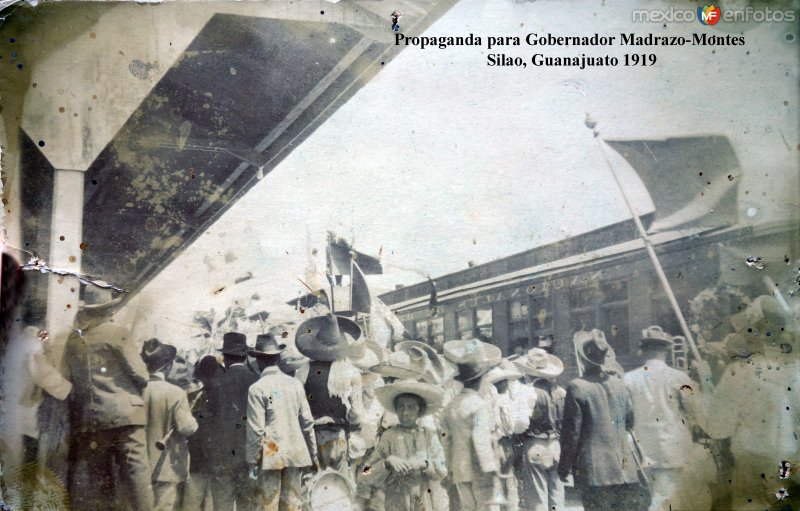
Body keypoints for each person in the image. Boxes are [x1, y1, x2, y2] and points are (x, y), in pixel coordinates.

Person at [60, 282, 154, 510]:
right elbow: (141, 375)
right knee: (137, 474)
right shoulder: (118, 335)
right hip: (126, 417)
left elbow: (67, 379)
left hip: (91, 421)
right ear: (109, 309)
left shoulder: (73, 342)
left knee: (99, 479)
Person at [703, 296, 800, 511]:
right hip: (787, 458)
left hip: (752, 457)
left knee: (751, 504)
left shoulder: (739, 371)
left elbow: (719, 425)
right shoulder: (793, 369)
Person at [558, 329, 648, 511]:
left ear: (583, 359)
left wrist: (564, 466)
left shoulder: (577, 387)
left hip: (595, 472)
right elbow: (630, 422)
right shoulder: (620, 384)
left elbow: (572, 433)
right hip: (625, 469)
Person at [624, 326, 709, 511]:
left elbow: (625, 416)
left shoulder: (629, 379)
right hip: (673, 450)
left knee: (650, 500)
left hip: (641, 451)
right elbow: (698, 409)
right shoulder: (678, 377)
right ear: (666, 350)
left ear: (643, 350)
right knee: (668, 501)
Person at [246, 332, 318, 511]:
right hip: (296, 452)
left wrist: (252, 460)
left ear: (259, 361)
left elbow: (256, 429)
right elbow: (307, 423)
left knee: (268, 504)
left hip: (271, 453)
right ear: (278, 358)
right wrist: (313, 454)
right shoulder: (294, 385)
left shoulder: (257, 388)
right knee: (292, 504)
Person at [294, 313, 365, 472]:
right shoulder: (351, 372)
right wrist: (351, 422)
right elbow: (357, 413)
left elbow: (296, 406)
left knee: (313, 483)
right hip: (339, 434)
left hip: (312, 436)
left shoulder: (304, 370)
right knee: (339, 485)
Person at [441, 338, 504, 511]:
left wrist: (447, 468)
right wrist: (490, 470)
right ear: (481, 379)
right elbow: (480, 439)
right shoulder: (478, 405)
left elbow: (445, 441)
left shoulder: (452, 405)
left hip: (460, 471)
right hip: (480, 471)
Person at [365, 380, 447, 511]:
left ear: (419, 410)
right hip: (397, 500)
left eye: (411, 407)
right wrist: (387, 462)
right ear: (395, 409)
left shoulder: (429, 436)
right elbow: (366, 472)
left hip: (424, 498)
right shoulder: (388, 436)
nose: (405, 412)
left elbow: (442, 469)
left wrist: (425, 464)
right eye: (401, 407)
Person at [141, 338, 198, 511]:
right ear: (167, 366)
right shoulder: (175, 392)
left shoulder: (135, 388)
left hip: (137, 466)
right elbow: (187, 428)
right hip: (166, 468)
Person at [206, 331, 259, 509]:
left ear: (225, 357)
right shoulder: (255, 381)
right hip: (247, 454)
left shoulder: (215, 383)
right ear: (245, 356)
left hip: (221, 455)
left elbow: (208, 418)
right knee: (247, 504)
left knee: (222, 505)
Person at [513, 348, 566, 511]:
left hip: (536, 444)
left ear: (529, 373)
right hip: (556, 444)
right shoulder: (561, 392)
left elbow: (520, 424)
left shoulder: (529, 392)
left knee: (537, 497)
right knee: (557, 494)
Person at [182, 355, 222, 511]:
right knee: (212, 501)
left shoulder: (192, 397)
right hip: (216, 457)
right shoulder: (225, 397)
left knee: (192, 500)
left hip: (196, 455)